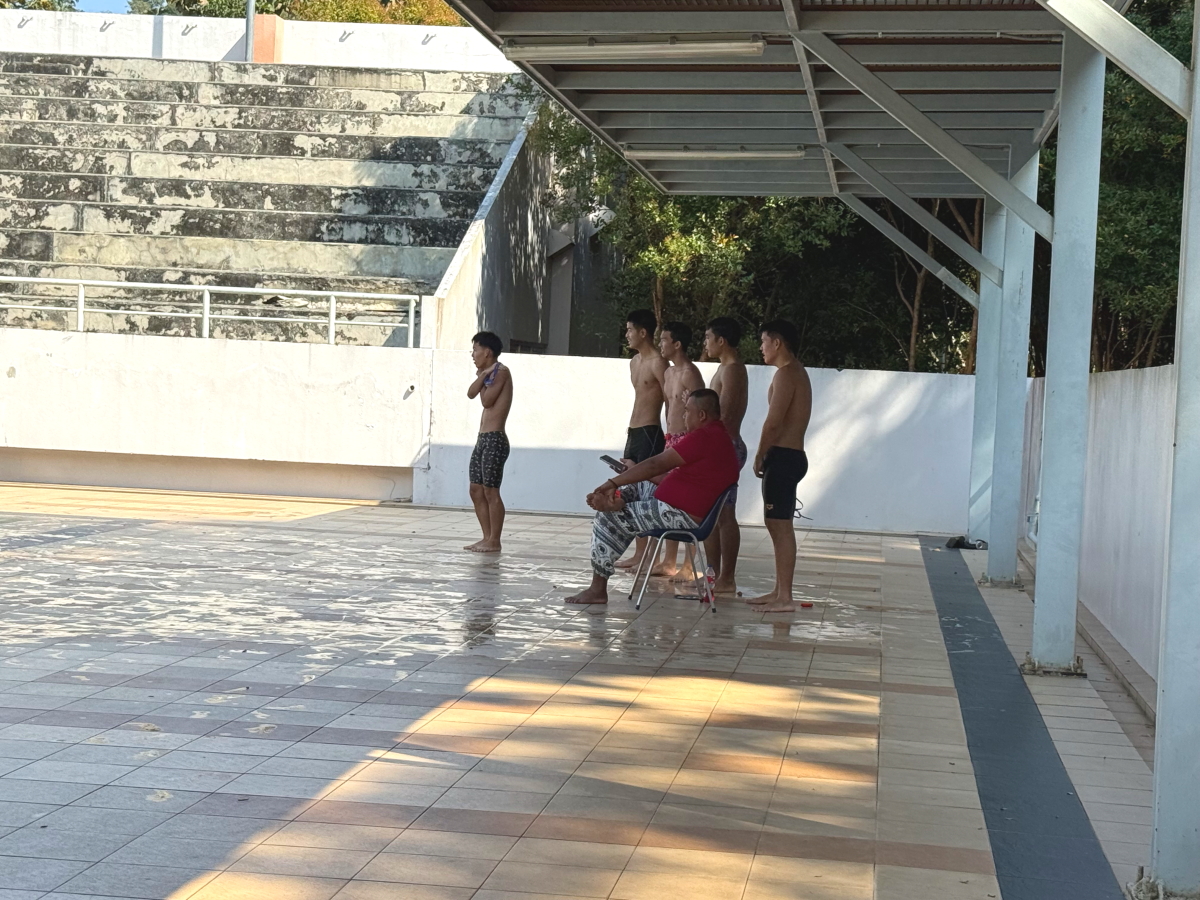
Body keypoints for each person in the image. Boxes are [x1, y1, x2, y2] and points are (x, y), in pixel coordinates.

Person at [565, 390, 738, 605]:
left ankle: (597, 589)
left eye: (687, 411)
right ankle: (617, 501)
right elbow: (670, 478)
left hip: (681, 515)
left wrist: (613, 482)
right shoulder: (717, 436)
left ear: (701, 415)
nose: (684, 416)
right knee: (640, 484)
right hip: (677, 506)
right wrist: (628, 476)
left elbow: (657, 464)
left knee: (607, 519)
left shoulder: (704, 437)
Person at [748, 319, 812, 613]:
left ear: (777, 342)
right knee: (776, 524)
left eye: (764, 342)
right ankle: (779, 590)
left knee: (780, 526)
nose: (761, 348)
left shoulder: (787, 374)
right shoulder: (796, 372)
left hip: (784, 456)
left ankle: (785, 596)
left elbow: (773, 422)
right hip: (788, 456)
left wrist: (760, 454)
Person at [612, 309, 668, 572]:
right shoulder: (634, 362)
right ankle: (639, 553)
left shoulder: (659, 363)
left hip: (650, 432)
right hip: (633, 432)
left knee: (648, 494)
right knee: (631, 492)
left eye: (630, 330)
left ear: (643, 332)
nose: (627, 335)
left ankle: (651, 557)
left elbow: (671, 400)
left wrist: (672, 436)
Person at [651, 321, 705, 579]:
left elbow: (702, 411)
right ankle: (668, 560)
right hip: (671, 438)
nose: (660, 344)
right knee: (669, 498)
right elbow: (668, 407)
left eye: (664, 340)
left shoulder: (690, 373)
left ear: (677, 344)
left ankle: (688, 565)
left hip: (687, 440)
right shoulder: (669, 373)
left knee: (687, 501)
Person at [702, 317, 749, 595]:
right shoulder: (723, 368)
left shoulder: (732, 370)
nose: (705, 343)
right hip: (717, 447)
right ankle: (713, 574)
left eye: (708, 337)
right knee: (711, 514)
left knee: (725, 514)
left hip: (725, 448)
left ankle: (727, 578)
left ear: (721, 340)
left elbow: (727, 415)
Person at [464, 331, 512, 553]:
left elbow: (487, 400)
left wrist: (484, 376)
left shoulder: (501, 372)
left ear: (487, 352)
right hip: (482, 438)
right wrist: (482, 375)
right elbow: (470, 393)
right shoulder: (487, 373)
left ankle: (495, 540)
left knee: (491, 490)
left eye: (475, 350)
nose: (472, 354)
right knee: (476, 489)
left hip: (495, 439)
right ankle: (486, 537)